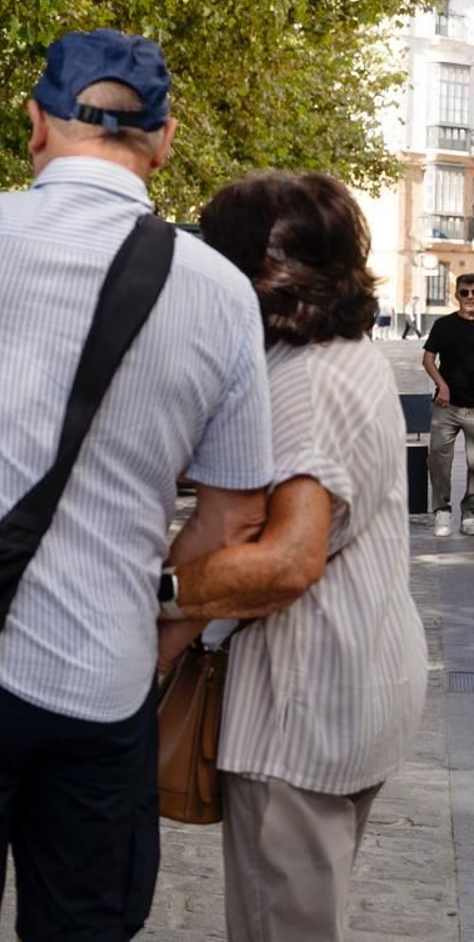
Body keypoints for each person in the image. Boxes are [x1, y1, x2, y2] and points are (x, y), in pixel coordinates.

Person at [0, 28, 274, 941]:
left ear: (36, 125)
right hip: (106, 682)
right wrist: (160, 639)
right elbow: (233, 519)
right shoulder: (221, 292)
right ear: (164, 141)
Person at [166, 172, 427, 941]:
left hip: (300, 708)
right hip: (354, 683)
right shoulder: (347, 355)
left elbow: (286, 563)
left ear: (258, 272)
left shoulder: (304, 384)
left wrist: (157, 592)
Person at [424, 272, 474, 536]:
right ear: (456, 294)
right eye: (465, 292)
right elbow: (428, 359)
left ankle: (470, 514)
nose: (470, 297)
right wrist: (441, 385)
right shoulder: (443, 325)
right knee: (439, 460)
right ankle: (442, 512)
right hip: (446, 407)